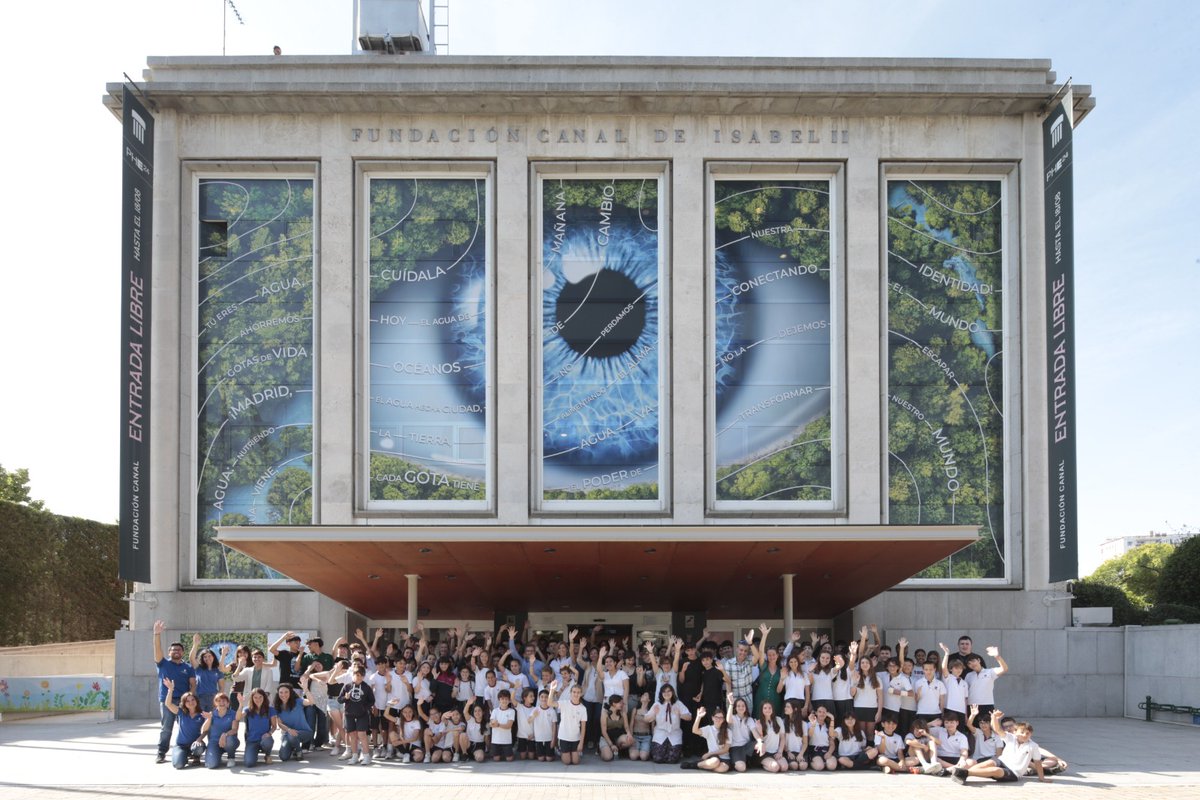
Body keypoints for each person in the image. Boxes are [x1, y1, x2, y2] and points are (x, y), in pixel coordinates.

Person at [952, 710, 1050, 784]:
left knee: (997, 770)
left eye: (1027, 733)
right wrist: (994, 717)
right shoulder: (1010, 737)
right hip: (1002, 761)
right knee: (990, 762)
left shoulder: (1033, 746)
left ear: (1031, 734)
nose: (1024, 735)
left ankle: (964, 773)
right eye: (1022, 732)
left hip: (1014, 772)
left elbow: (1037, 762)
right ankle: (961, 773)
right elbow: (997, 729)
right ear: (1015, 732)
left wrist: (1042, 778)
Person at [153, 620, 197, 764]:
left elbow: (192, 684)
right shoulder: (163, 663)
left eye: (178, 650)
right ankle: (161, 753)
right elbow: (157, 650)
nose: (176, 652)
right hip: (167, 701)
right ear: (169, 652)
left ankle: (190, 750)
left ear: (182, 652)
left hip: (183, 702)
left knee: (187, 727)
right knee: (166, 728)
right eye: (173, 650)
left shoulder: (188, 667)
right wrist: (157, 634)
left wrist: (190, 698)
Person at [337, 664, 376, 765]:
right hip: (349, 714)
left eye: (360, 675)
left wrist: (365, 708)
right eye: (356, 675)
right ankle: (354, 756)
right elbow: (339, 700)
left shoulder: (366, 687)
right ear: (353, 675)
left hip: (362, 714)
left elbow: (372, 701)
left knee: (362, 734)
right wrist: (345, 698)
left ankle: (366, 756)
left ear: (363, 676)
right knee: (352, 735)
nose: (358, 677)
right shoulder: (347, 686)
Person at [161, 680, 205, 769]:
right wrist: (170, 690)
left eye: (193, 700)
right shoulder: (181, 712)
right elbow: (168, 704)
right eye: (187, 701)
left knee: (199, 748)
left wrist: (199, 739)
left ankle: (196, 756)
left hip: (195, 744)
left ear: (196, 701)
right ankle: (183, 756)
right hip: (181, 745)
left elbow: (206, 730)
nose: (191, 702)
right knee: (178, 765)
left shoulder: (202, 714)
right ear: (184, 703)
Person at [645, 684, 691, 763]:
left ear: (672, 692)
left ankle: (672, 751)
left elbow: (689, 717)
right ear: (661, 693)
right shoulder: (657, 704)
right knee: (657, 758)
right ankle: (664, 751)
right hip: (660, 733)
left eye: (669, 691)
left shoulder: (678, 703)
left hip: (674, 733)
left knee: (672, 760)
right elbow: (646, 718)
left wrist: (680, 714)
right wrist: (653, 714)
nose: (666, 693)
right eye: (664, 692)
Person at [965, 646, 1007, 719]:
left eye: (973, 661)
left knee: (988, 729)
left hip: (987, 705)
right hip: (972, 706)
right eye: (969, 663)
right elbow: (965, 692)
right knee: (972, 729)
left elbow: (1004, 668)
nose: (972, 664)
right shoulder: (969, 675)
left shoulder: (990, 672)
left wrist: (997, 656)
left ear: (979, 660)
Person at [200, 691, 239, 767]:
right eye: (219, 701)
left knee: (230, 740)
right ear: (215, 703)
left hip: (228, 741)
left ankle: (231, 757)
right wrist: (209, 719)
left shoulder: (233, 713)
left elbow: (235, 729)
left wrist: (225, 734)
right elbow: (203, 730)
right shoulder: (211, 714)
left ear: (228, 703)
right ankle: (217, 755)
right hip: (214, 742)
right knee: (211, 765)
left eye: (224, 701)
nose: (221, 702)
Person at [241, 688, 278, 767]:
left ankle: (267, 755)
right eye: (255, 697)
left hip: (264, 738)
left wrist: (269, 733)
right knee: (249, 763)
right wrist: (241, 704)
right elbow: (238, 718)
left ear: (264, 697)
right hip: (252, 740)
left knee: (268, 741)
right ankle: (254, 753)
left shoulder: (270, 710)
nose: (258, 699)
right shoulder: (247, 709)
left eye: (260, 697)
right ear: (252, 698)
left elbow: (274, 726)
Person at [554, 682, 588, 765]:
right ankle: (560, 750)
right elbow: (549, 703)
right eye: (574, 692)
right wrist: (552, 690)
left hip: (575, 738)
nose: (576, 694)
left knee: (576, 762)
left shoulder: (583, 708)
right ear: (570, 693)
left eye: (578, 692)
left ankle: (572, 753)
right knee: (567, 762)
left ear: (581, 694)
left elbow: (583, 728)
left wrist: (581, 743)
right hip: (564, 737)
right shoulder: (564, 703)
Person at [188, 635, 225, 712]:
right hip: (200, 698)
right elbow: (191, 658)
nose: (207, 658)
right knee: (200, 719)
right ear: (202, 658)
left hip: (213, 698)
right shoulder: (199, 668)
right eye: (205, 657)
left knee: (211, 720)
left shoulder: (218, 670)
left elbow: (221, 687)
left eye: (209, 656)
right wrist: (195, 644)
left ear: (213, 657)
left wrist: (218, 699)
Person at [693, 706, 731, 773]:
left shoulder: (728, 731)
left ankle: (706, 766)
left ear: (723, 719)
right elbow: (695, 730)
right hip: (713, 757)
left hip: (724, 757)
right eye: (716, 717)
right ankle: (695, 765)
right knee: (715, 761)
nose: (718, 719)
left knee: (723, 768)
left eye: (721, 718)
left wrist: (709, 753)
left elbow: (725, 749)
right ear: (712, 718)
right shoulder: (709, 729)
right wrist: (698, 717)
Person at [753, 700, 788, 773]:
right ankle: (762, 764)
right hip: (765, 753)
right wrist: (760, 731)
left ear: (772, 709)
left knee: (784, 767)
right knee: (775, 767)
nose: (767, 710)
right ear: (762, 710)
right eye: (765, 708)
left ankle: (773, 762)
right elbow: (760, 741)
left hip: (775, 752)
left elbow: (782, 738)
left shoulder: (778, 720)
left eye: (769, 708)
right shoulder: (759, 722)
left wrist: (780, 752)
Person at [599, 694, 634, 761]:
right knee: (608, 757)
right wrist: (611, 744)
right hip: (607, 737)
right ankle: (603, 749)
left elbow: (626, 726)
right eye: (620, 703)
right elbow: (604, 731)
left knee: (630, 740)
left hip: (618, 737)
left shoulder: (623, 713)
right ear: (614, 703)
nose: (622, 704)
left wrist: (629, 733)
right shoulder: (605, 714)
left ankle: (618, 750)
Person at [804, 705, 835, 771]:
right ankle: (811, 762)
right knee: (819, 767)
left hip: (826, 750)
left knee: (832, 766)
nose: (822, 714)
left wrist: (829, 752)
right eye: (820, 712)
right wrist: (813, 724)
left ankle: (825, 763)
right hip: (814, 750)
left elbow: (832, 743)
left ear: (827, 714)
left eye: (824, 712)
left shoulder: (828, 725)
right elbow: (810, 735)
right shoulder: (809, 724)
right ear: (816, 713)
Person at [488, 689, 517, 761]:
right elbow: (491, 723)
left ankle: (510, 751)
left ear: (509, 700)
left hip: (506, 740)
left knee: (509, 759)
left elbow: (508, 726)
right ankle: (501, 753)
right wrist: (493, 724)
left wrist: (497, 725)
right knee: (496, 759)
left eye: (506, 699)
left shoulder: (511, 711)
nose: (504, 701)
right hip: (496, 740)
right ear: (499, 700)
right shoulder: (495, 711)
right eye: (502, 699)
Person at [531, 689, 558, 762]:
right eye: (542, 697)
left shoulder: (552, 711)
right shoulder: (535, 709)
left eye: (546, 697)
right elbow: (529, 721)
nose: (544, 699)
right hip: (538, 738)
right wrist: (533, 716)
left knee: (549, 759)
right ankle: (541, 753)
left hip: (549, 738)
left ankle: (552, 753)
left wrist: (553, 739)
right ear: (539, 698)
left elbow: (554, 726)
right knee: (541, 759)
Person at [783, 700, 808, 772]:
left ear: (795, 709)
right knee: (794, 766)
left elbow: (805, 742)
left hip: (800, 751)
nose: (785, 708)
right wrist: (788, 752)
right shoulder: (783, 722)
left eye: (788, 707)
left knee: (803, 766)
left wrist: (801, 754)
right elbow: (782, 741)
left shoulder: (803, 724)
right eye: (785, 706)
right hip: (788, 752)